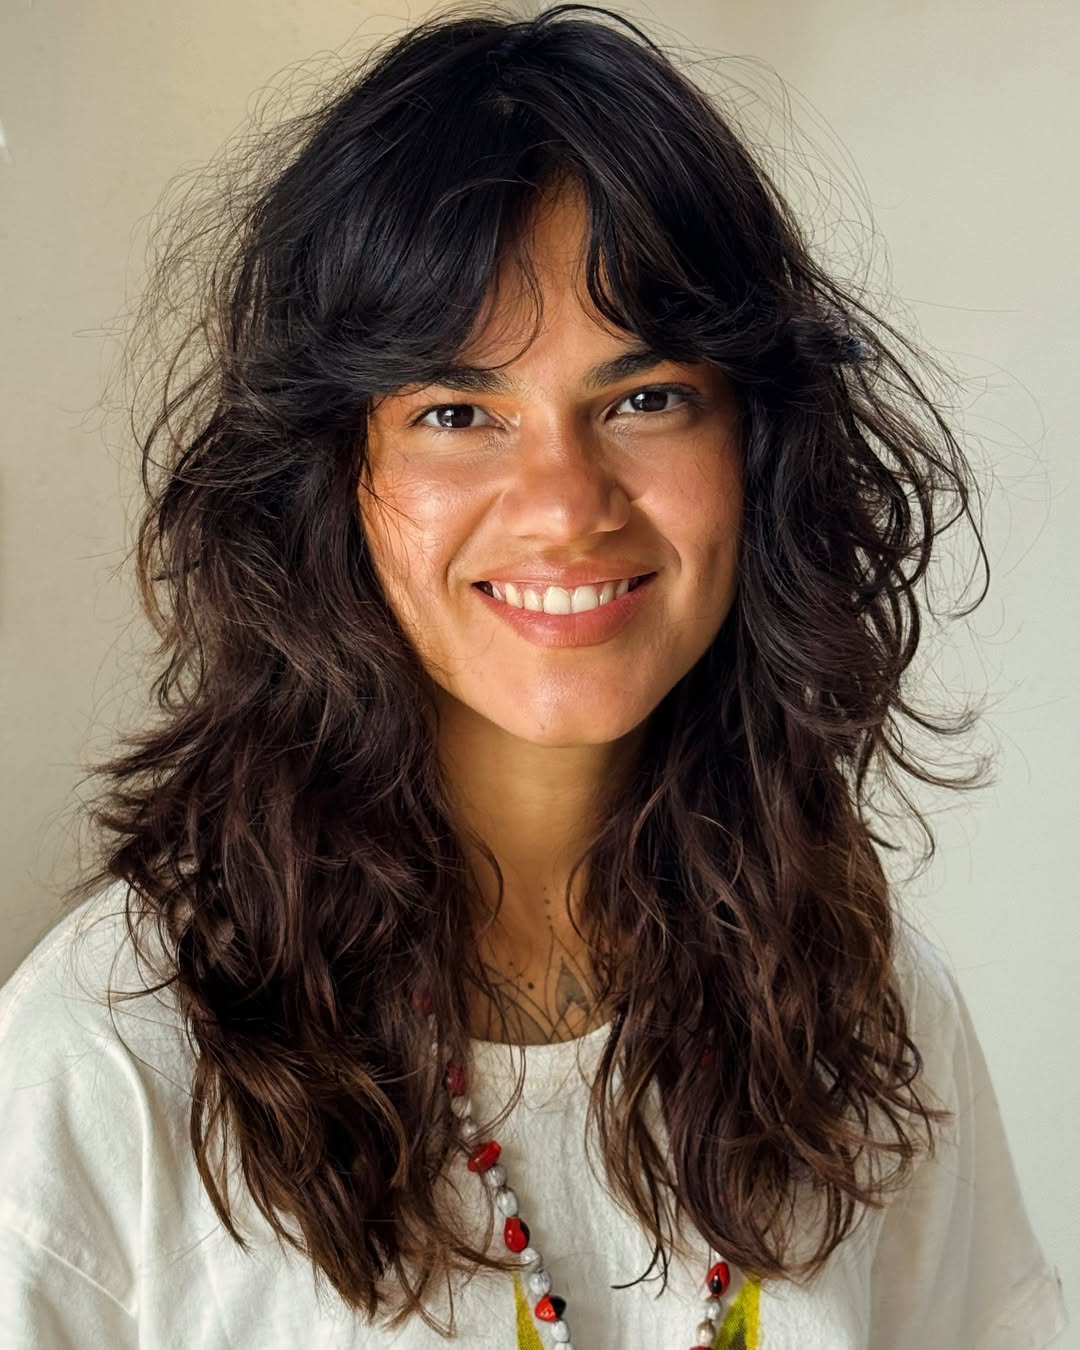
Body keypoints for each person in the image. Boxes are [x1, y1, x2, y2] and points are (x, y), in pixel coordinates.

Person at [0, 5, 1069, 1348]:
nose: (566, 506)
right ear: (332, 476)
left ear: (756, 444)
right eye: (457, 413)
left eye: (645, 398)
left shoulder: (866, 1008)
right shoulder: (104, 1068)